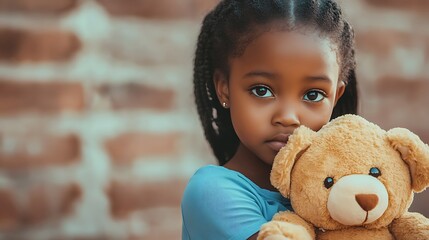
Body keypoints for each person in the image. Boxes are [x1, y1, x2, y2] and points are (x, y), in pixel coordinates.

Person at [181, 0, 358, 239]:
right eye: (261, 90)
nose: (288, 117)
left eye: (313, 95)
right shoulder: (213, 192)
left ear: (336, 97)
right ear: (224, 88)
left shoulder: (347, 191)